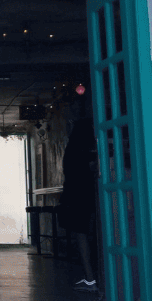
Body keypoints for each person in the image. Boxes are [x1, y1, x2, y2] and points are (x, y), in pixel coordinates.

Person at [56, 116, 99, 292]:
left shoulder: (71, 150)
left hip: (74, 195)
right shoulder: (91, 150)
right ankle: (96, 277)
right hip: (90, 194)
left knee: (81, 234)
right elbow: (96, 170)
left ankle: (90, 278)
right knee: (96, 234)